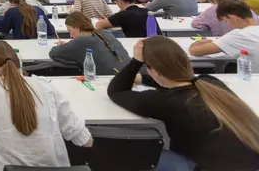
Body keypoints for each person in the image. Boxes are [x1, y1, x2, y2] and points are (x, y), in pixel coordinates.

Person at [109, 36, 259, 170]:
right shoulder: (210, 83)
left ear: (154, 71)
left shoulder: (163, 101)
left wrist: (136, 61)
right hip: (250, 159)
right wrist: (142, 79)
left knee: (138, 153)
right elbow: (180, 81)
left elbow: (116, 90)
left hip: (209, 166)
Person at [0, 41, 93, 170]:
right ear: (19, 63)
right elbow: (85, 140)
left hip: (3, 168)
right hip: (52, 168)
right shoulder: (46, 87)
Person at [190, 0, 259, 71]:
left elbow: (195, 51)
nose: (228, 24)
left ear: (233, 18)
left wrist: (198, 42)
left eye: (226, 21)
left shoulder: (240, 35)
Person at [50, 12, 130, 74]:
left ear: (77, 28)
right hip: (132, 73)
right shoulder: (105, 33)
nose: (71, 35)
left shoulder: (80, 42)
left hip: (112, 79)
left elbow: (53, 53)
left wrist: (67, 45)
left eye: (70, 31)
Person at [97, 0, 161, 37]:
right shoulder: (146, 11)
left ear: (119, 1)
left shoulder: (122, 15)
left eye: (116, 3)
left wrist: (108, 20)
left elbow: (99, 25)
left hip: (142, 46)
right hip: (158, 43)